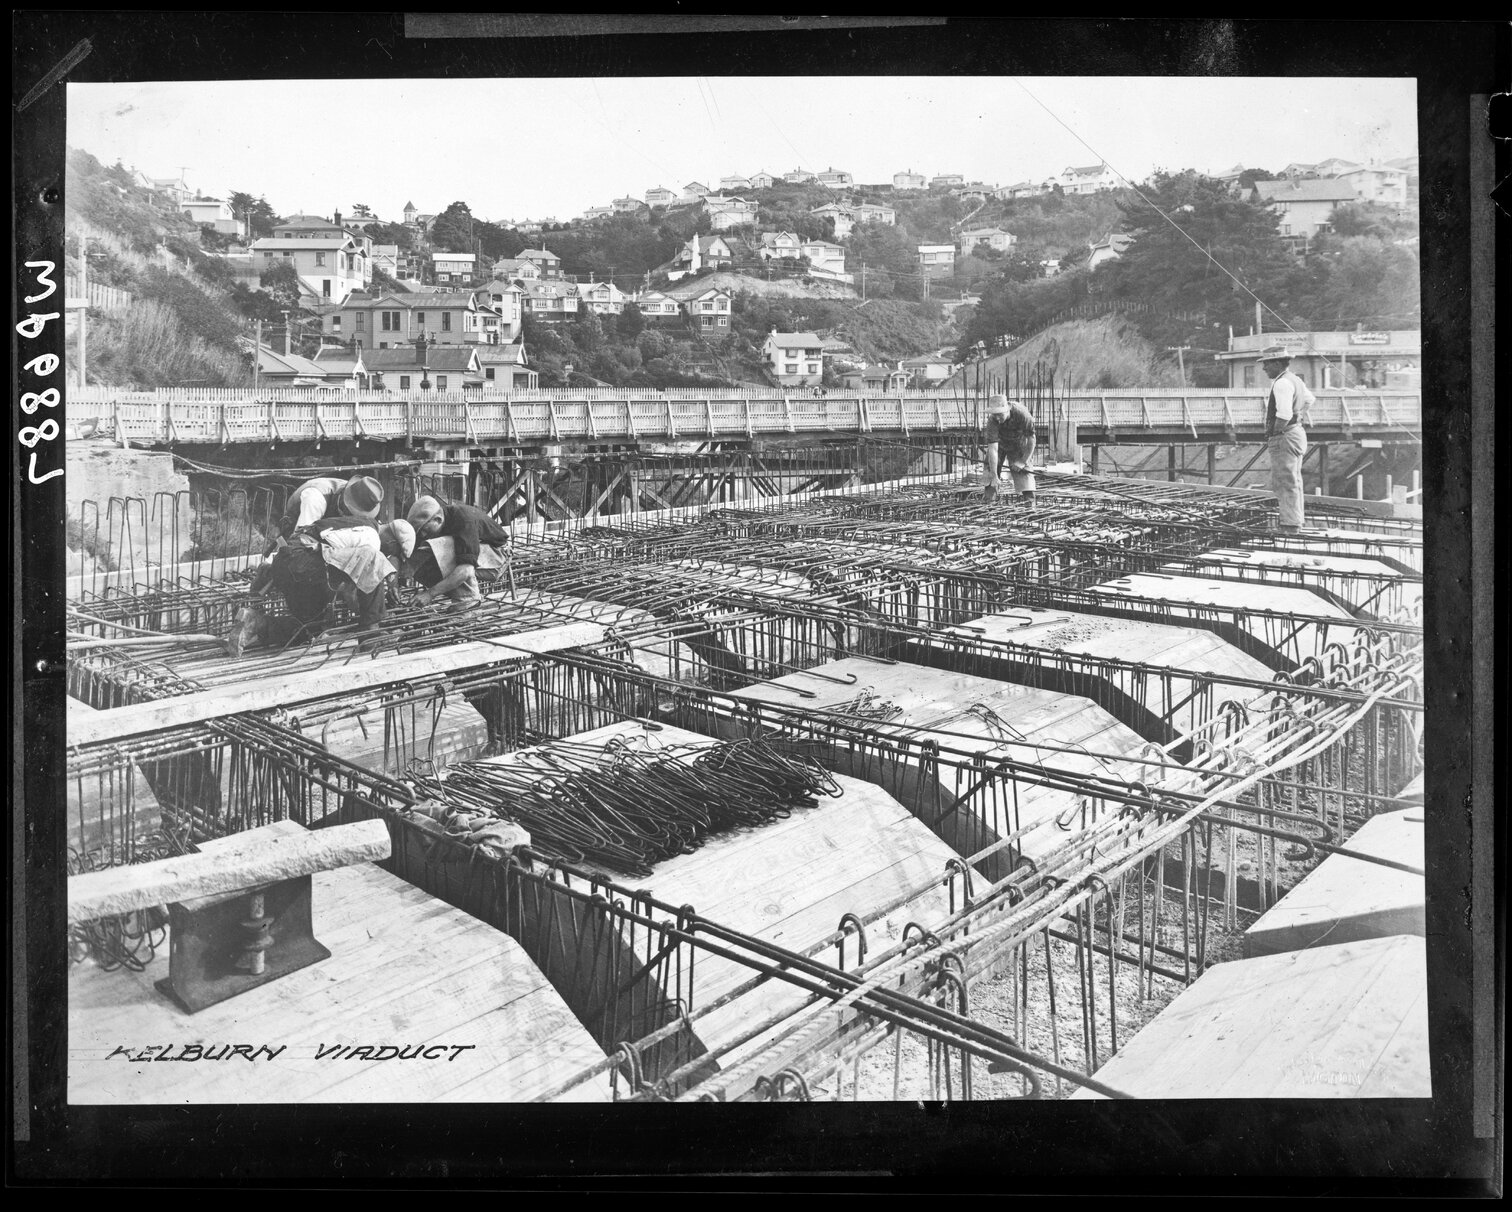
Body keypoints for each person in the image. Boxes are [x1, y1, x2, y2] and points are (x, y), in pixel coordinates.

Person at [228, 516, 414, 655]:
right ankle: (371, 639)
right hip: (302, 563)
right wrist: (375, 616)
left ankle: (256, 623)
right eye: (394, 552)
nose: (391, 556)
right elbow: (353, 590)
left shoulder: (359, 521)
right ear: (391, 541)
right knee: (375, 563)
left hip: (288, 565)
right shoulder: (371, 539)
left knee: (310, 629)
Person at [404, 495, 513, 607]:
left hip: (498, 555)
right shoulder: (435, 522)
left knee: (444, 546)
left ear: (438, 519)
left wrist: (430, 594)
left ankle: (468, 604)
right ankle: (456, 593)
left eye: (425, 530)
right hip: (476, 555)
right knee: (421, 553)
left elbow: (466, 570)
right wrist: (395, 583)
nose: (423, 535)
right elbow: (404, 554)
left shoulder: (463, 520)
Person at [1258, 344, 1315, 533]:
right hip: (1296, 433)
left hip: (1285, 436)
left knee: (1284, 481)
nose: (1264, 368)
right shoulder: (1294, 379)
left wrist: (1275, 432)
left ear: (1276, 362)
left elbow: (1283, 414)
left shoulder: (1281, 383)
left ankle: (1290, 526)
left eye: (1267, 364)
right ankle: (1295, 521)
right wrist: (1298, 417)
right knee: (1293, 480)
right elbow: (1309, 399)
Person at [266, 475, 384, 552]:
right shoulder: (315, 498)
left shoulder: (362, 494)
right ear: (345, 499)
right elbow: (303, 540)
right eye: (351, 511)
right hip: (297, 528)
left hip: (323, 527)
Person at [982, 394, 1038, 506]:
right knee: (990, 474)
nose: (997, 418)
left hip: (1018, 443)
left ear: (1007, 410)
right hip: (1000, 443)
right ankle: (989, 504)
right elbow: (993, 449)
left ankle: (1030, 505)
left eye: (1000, 415)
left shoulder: (1021, 414)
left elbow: (1031, 438)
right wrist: (994, 475)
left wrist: (1023, 461)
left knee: (1025, 474)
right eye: (995, 415)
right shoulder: (992, 421)